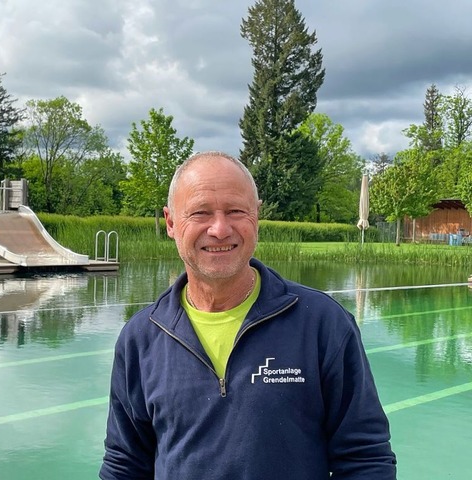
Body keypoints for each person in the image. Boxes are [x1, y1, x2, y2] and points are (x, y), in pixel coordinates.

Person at [100, 151, 396, 479]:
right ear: (171, 223)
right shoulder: (141, 337)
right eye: (200, 213)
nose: (220, 229)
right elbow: (125, 463)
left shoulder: (322, 324)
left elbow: (365, 457)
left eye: (235, 211)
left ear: (256, 216)